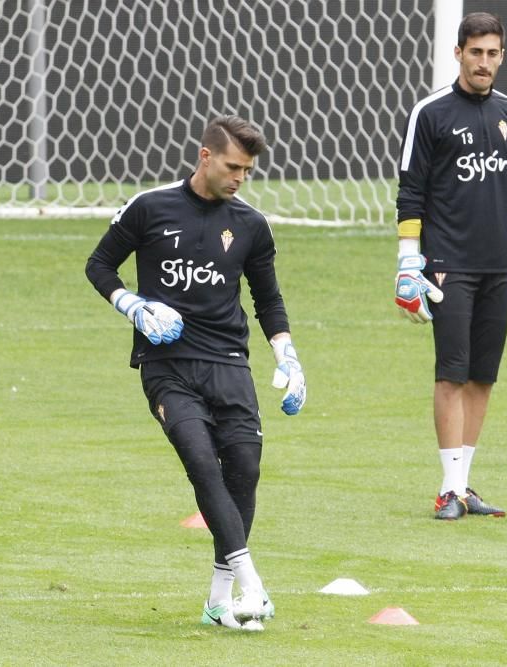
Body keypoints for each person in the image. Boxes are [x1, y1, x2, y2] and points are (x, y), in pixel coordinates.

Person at [85, 115, 306, 630]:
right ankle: (252, 584)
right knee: (203, 464)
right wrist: (133, 306)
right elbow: (99, 264)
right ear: (205, 156)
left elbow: (267, 299)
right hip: (167, 366)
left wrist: (288, 358)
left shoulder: (250, 224)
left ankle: (217, 600)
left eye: (247, 171)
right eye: (233, 167)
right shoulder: (150, 206)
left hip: (229, 363)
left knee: (244, 472)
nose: (239, 178)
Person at [394, 12, 507, 521]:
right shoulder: (431, 113)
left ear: (503, 56)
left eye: (493, 53)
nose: (484, 62)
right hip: (446, 265)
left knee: (483, 377)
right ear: (458, 53)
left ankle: (463, 485)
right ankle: (449, 489)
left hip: (496, 266)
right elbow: (411, 193)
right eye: (475, 52)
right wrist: (407, 265)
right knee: (451, 375)